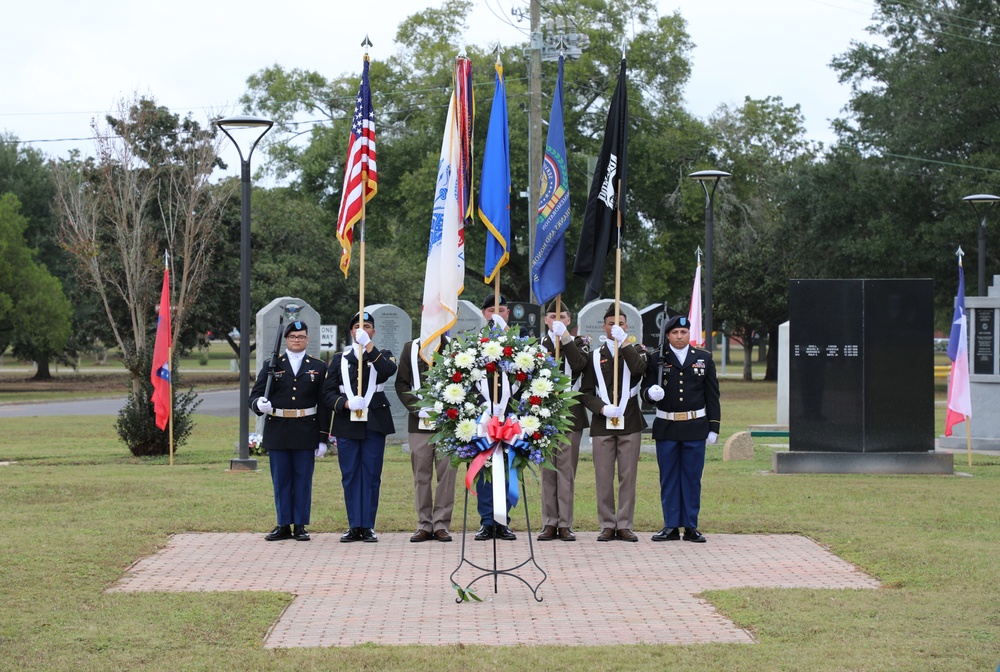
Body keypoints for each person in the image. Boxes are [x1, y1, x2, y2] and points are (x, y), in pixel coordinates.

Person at [641, 314, 720, 543]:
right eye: (674, 333)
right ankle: (671, 526)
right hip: (667, 425)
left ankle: (691, 526)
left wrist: (713, 427)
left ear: (689, 335)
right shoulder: (656, 358)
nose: (679, 336)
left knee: (692, 478)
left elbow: (712, 395)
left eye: (683, 332)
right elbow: (644, 390)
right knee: (669, 478)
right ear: (667, 335)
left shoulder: (703, 358)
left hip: (695, 426)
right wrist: (650, 394)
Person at [249, 321, 329, 542]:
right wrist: (259, 404)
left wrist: (323, 438)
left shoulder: (318, 366)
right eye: (293, 336)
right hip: (278, 429)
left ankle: (300, 525)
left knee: (303, 480)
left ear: (307, 339)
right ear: (286, 339)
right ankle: (283, 523)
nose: (297, 340)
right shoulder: (272, 365)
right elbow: (254, 396)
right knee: (281, 479)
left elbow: (323, 403)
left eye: (301, 336)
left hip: (306, 429)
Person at [322, 311, 397, 543]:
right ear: (351, 331)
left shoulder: (383, 355)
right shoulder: (340, 359)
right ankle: (354, 525)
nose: (361, 329)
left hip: (374, 421)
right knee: (351, 474)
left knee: (372, 475)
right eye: (357, 326)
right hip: (347, 422)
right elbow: (327, 393)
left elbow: (387, 371)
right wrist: (344, 403)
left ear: (373, 331)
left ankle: (368, 526)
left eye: (366, 326)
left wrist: (369, 347)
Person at [580, 304, 648, 542]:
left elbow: (639, 369)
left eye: (620, 324)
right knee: (603, 476)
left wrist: (625, 343)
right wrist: (601, 408)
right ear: (604, 326)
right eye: (611, 324)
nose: (615, 327)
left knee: (628, 476)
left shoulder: (637, 350)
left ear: (626, 326)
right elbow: (586, 392)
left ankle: (625, 525)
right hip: (603, 423)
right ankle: (608, 524)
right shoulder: (594, 356)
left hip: (629, 421)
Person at [395, 334, 458, 542]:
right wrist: (417, 408)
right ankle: (424, 523)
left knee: (446, 475)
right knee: (421, 475)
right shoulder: (410, 348)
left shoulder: (453, 346)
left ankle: (441, 524)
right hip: (419, 423)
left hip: (448, 422)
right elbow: (401, 384)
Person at [536, 301, 589, 542]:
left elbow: (579, 365)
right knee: (548, 471)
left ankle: (565, 523)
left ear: (569, 320)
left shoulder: (579, 343)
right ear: (545, 320)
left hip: (570, 416)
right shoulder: (537, 345)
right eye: (552, 316)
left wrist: (565, 338)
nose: (557, 319)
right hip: (544, 416)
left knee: (566, 471)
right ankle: (550, 522)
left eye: (563, 316)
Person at [473, 293, 517, 541]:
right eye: (491, 311)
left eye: (501, 310)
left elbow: (527, 377)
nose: (496, 315)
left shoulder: (520, 345)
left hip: (509, 416)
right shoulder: (474, 343)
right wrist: (483, 409)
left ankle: (503, 521)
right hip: (483, 416)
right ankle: (487, 521)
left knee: (507, 469)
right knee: (485, 468)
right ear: (484, 314)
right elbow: (465, 378)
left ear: (507, 314)